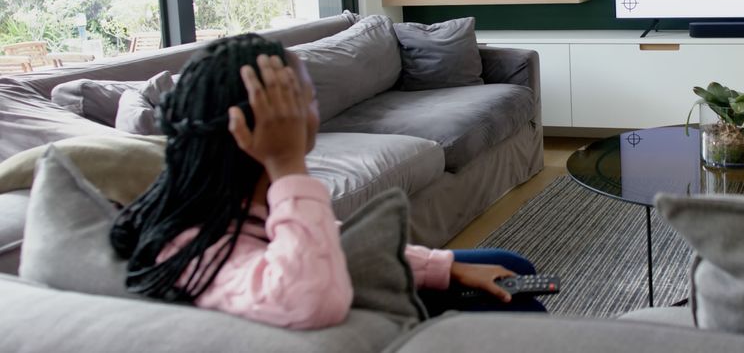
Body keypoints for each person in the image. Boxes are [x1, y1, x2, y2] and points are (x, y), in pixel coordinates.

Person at [110, 34, 544, 329]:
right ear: (251, 124)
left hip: (347, 279)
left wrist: (447, 268)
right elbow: (310, 298)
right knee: (512, 298)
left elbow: (342, 241)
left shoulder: (241, 197)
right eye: (300, 97)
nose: (314, 107)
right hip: (354, 318)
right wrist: (287, 163)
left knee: (511, 268)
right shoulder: (195, 244)